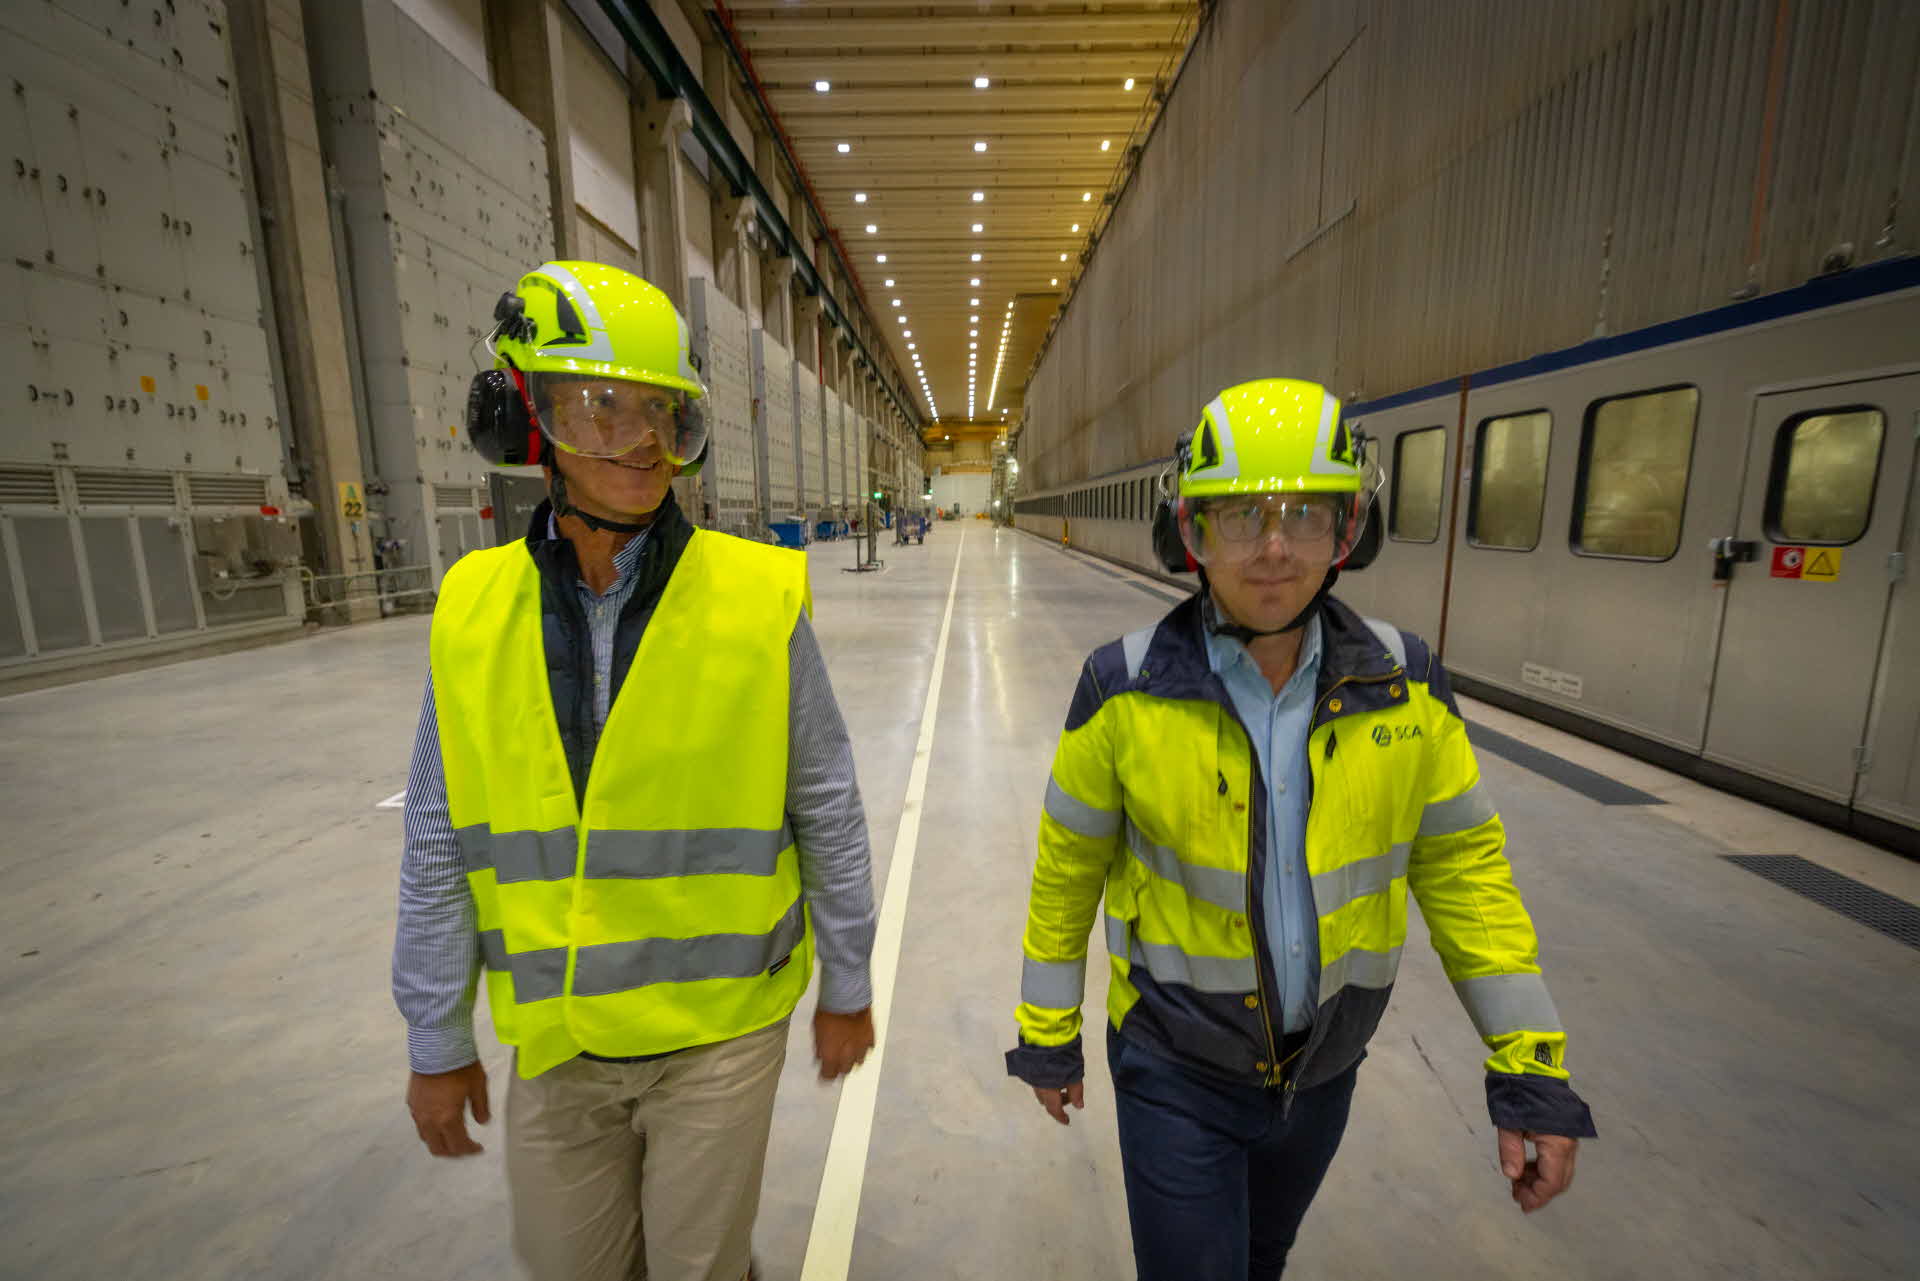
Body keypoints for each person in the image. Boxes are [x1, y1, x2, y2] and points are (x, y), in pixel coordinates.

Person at [1006, 378, 1594, 1280]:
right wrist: (1049, 1027)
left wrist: (1532, 1067)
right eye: (1240, 515)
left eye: (1307, 515)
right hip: (1173, 1063)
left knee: (1261, 1256)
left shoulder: (1406, 684)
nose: (1275, 548)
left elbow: (1466, 873)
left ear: (1350, 531)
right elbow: (1067, 868)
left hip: (1323, 1072)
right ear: (1192, 534)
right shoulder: (1122, 689)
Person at [395, 260, 878, 1281]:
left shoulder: (757, 597)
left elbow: (826, 803)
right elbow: (439, 836)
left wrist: (849, 979)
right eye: (601, 409)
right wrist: (437, 1032)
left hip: (721, 1031)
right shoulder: (473, 608)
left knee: (699, 1268)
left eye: (660, 413)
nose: (641, 442)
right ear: (525, 422)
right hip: (560, 1039)